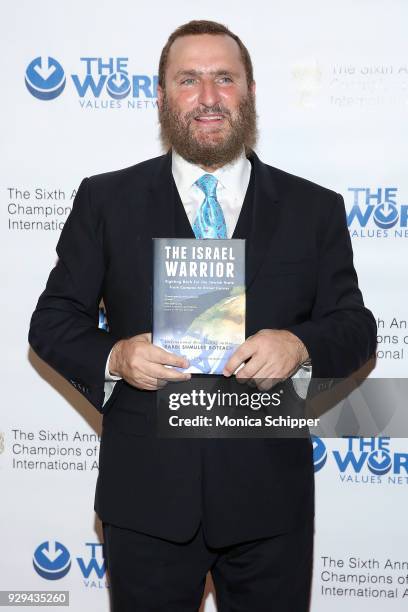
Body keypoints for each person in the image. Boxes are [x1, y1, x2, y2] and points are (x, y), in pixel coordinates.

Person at [29, 20, 377, 612]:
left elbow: (355, 324)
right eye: (188, 80)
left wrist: (299, 345)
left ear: (251, 92)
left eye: (224, 78)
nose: (208, 97)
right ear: (161, 97)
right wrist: (115, 355)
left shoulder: (313, 208)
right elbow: (53, 320)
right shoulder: (105, 200)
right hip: (146, 498)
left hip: (270, 501)